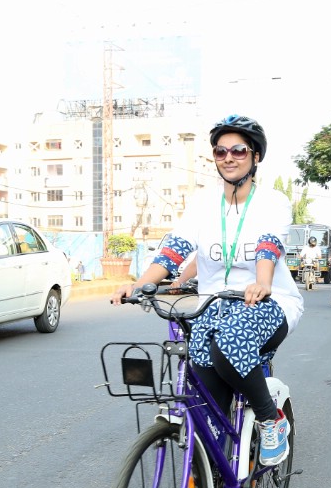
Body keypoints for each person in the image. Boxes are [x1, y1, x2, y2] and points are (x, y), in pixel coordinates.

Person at [111, 115, 303, 465]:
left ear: (255, 157)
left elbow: (268, 244)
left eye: (238, 150)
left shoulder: (272, 202)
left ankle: (269, 418)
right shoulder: (202, 202)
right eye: (220, 151)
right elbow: (175, 247)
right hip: (213, 306)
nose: (228, 157)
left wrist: (262, 281)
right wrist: (139, 285)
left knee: (229, 345)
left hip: (267, 303)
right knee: (205, 399)